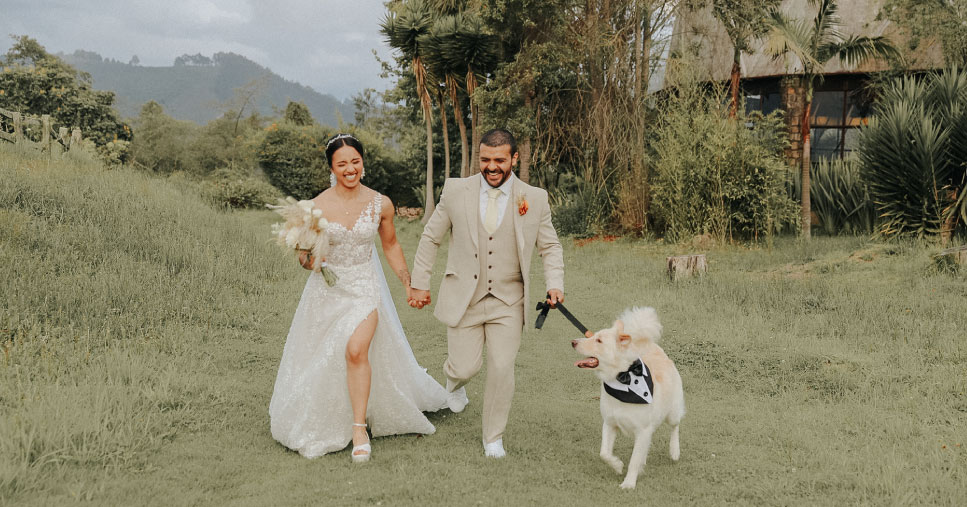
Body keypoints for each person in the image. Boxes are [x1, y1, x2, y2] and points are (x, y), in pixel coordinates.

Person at [269, 133, 447, 463]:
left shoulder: (381, 203)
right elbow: (307, 259)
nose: (350, 169)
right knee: (326, 356)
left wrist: (408, 283)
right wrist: (309, 258)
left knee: (355, 350)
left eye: (355, 161)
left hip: (365, 288)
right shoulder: (315, 207)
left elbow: (391, 245)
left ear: (363, 163)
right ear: (331, 169)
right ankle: (332, 413)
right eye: (342, 164)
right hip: (329, 291)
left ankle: (358, 429)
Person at [409, 128, 565, 458]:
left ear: (514, 159)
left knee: (501, 367)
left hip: (509, 301)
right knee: (465, 367)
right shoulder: (455, 190)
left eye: (499, 160)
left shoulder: (534, 198)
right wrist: (420, 282)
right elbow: (430, 238)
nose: (491, 167)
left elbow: (549, 246)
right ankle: (453, 382)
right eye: (485, 160)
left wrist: (555, 284)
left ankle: (493, 437)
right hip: (464, 296)